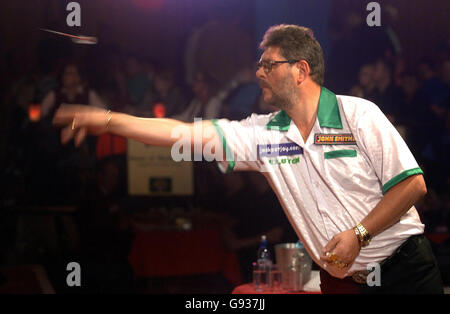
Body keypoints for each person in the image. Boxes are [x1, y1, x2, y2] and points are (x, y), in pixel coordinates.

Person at [52, 24, 443, 294]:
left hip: (404, 268)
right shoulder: (262, 136)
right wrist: (108, 121)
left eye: (268, 65)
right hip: (341, 283)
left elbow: (413, 185)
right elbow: (183, 134)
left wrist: (359, 235)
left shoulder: (358, 114)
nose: (258, 73)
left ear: (301, 70)